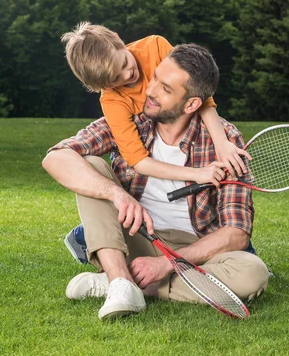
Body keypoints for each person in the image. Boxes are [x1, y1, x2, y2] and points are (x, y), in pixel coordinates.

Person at [42, 44, 269, 320]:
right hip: (139, 235)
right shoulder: (129, 122)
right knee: (89, 166)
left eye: (166, 89)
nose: (149, 91)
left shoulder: (226, 141)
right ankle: (121, 280)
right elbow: (56, 158)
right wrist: (117, 195)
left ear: (192, 104)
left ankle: (123, 282)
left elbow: (236, 233)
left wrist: (165, 264)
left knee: (252, 273)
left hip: (193, 249)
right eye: (155, 78)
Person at [61, 23, 249, 185]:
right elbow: (139, 161)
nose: (127, 75)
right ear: (99, 87)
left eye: (125, 62)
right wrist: (197, 174)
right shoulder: (112, 101)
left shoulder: (154, 46)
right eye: (115, 78)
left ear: (118, 40)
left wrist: (221, 142)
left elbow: (197, 91)